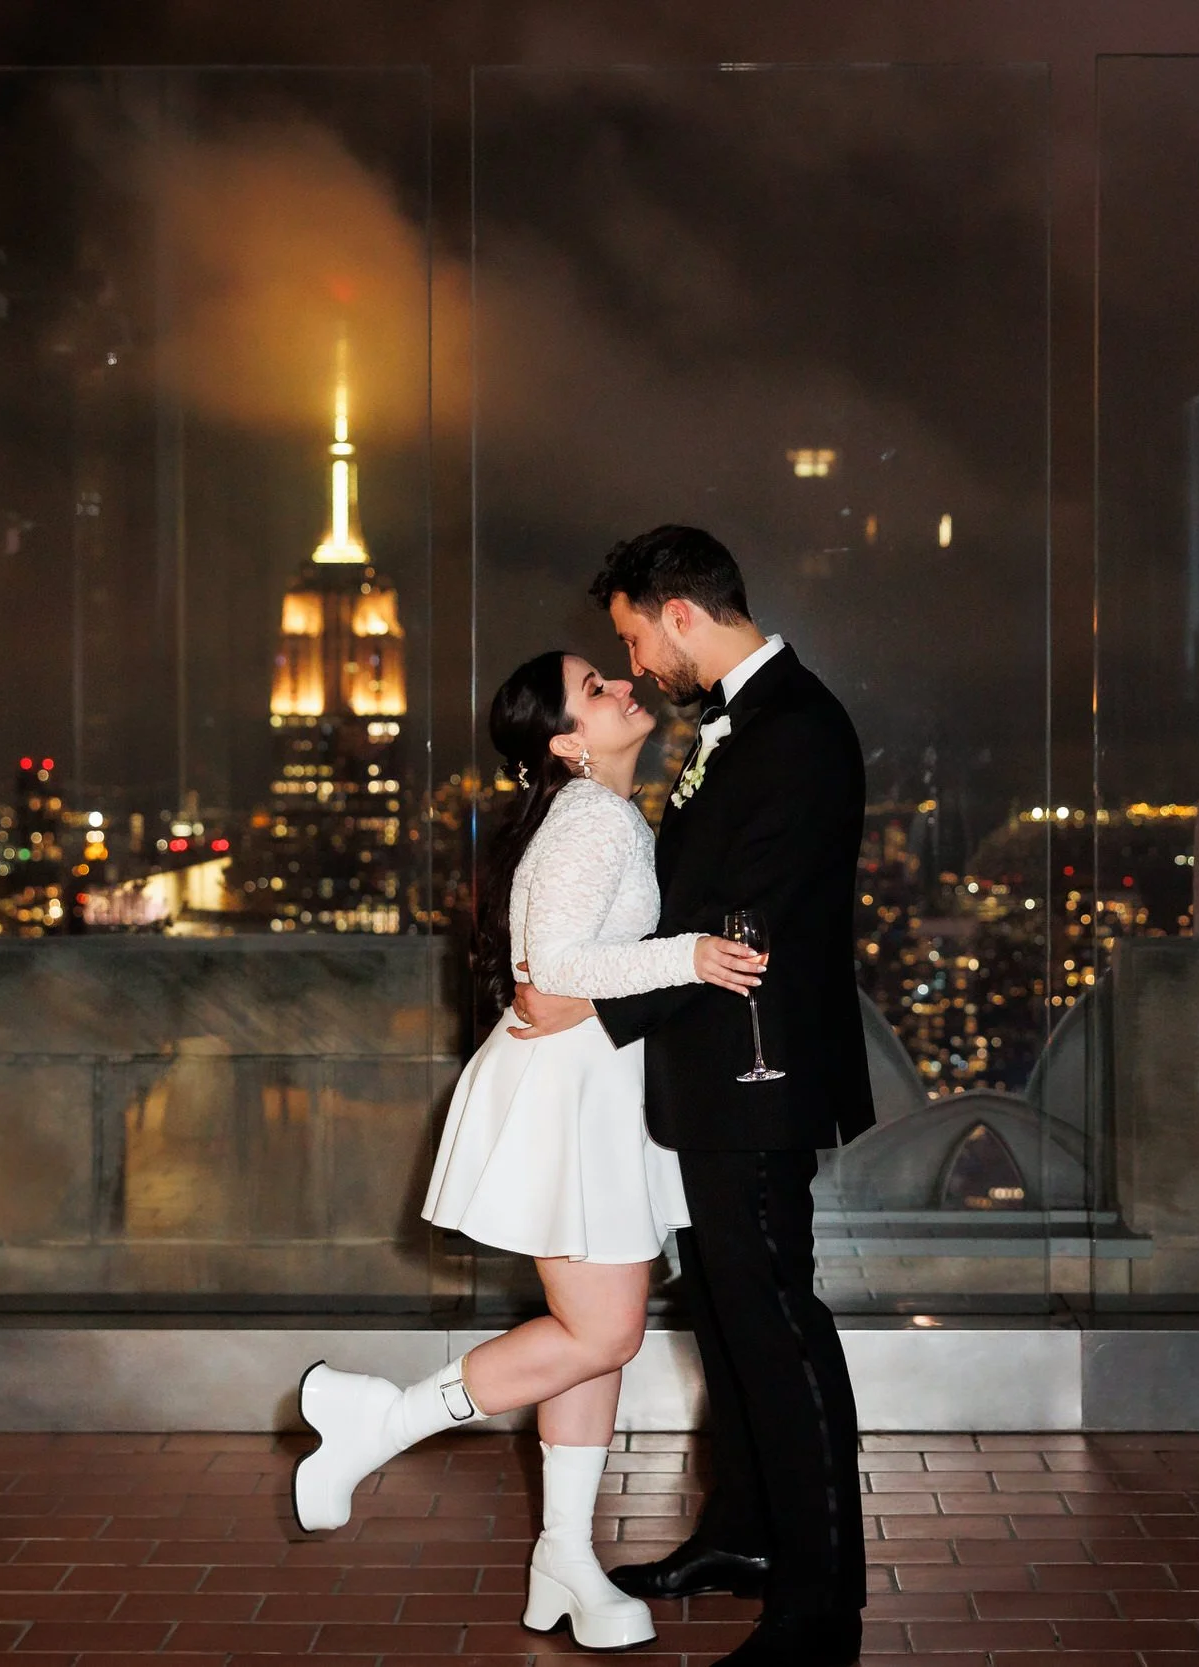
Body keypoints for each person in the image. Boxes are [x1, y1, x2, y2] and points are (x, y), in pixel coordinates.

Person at [291, 648, 766, 1652]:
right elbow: (549, 969)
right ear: (563, 738)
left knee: (590, 1331)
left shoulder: (599, 812)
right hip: (569, 1097)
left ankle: (565, 1556)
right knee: (603, 1333)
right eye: (596, 689)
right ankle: (381, 1422)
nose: (621, 689)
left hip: (585, 1090)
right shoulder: (592, 815)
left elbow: (551, 979)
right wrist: (688, 955)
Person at [513, 525, 875, 1667]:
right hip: (713, 1079)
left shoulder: (796, 731)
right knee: (727, 1316)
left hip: (756, 1074)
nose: (633, 661)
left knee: (778, 1322)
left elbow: (742, 925)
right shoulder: (742, 725)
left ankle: (819, 1606)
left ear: (679, 613)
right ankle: (745, 1535)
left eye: (629, 635)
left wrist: (591, 1004)